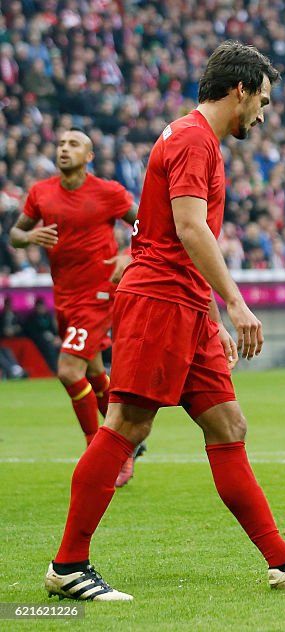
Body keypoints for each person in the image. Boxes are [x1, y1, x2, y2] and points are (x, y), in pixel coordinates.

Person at [44, 41, 285, 602]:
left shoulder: (194, 138)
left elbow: (181, 241)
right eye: (264, 100)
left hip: (186, 305)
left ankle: (282, 562)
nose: (264, 112)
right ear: (241, 90)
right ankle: (68, 564)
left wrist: (212, 314)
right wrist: (234, 301)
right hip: (158, 301)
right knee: (127, 428)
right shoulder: (189, 138)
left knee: (228, 427)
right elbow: (188, 228)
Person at [9, 128, 146, 485]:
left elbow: (147, 226)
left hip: (98, 295)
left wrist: (126, 255)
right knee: (92, 373)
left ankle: (99, 448)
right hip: (64, 297)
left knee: (69, 371)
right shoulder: (41, 193)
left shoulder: (108, 192)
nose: (64, 149)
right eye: (60, 144)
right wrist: (29, 237)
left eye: (73, 145)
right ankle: (126, 440)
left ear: (89, 157)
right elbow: (15, 234)